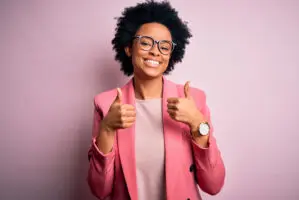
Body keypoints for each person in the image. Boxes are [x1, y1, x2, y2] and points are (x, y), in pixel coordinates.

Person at [87, 1, 225, 199]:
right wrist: (107, 129)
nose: (155, 51)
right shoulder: (106, 104)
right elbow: (99, 190)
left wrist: (197, 123)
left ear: (172, 54)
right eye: (145, 42)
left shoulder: (193, 100)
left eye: (164, 46)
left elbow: (214, 185)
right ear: (128, 48)